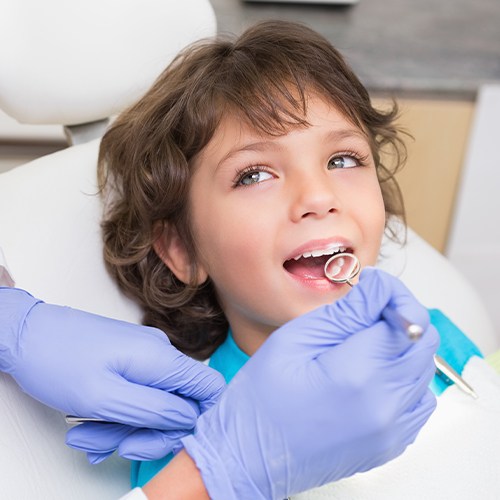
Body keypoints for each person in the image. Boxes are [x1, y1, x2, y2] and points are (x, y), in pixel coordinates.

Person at [0, 19, 472, 499]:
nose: (318, 196)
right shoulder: (197, 440)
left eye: (343, 160)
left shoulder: (434, 337)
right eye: (253, 175)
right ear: (182, 250)